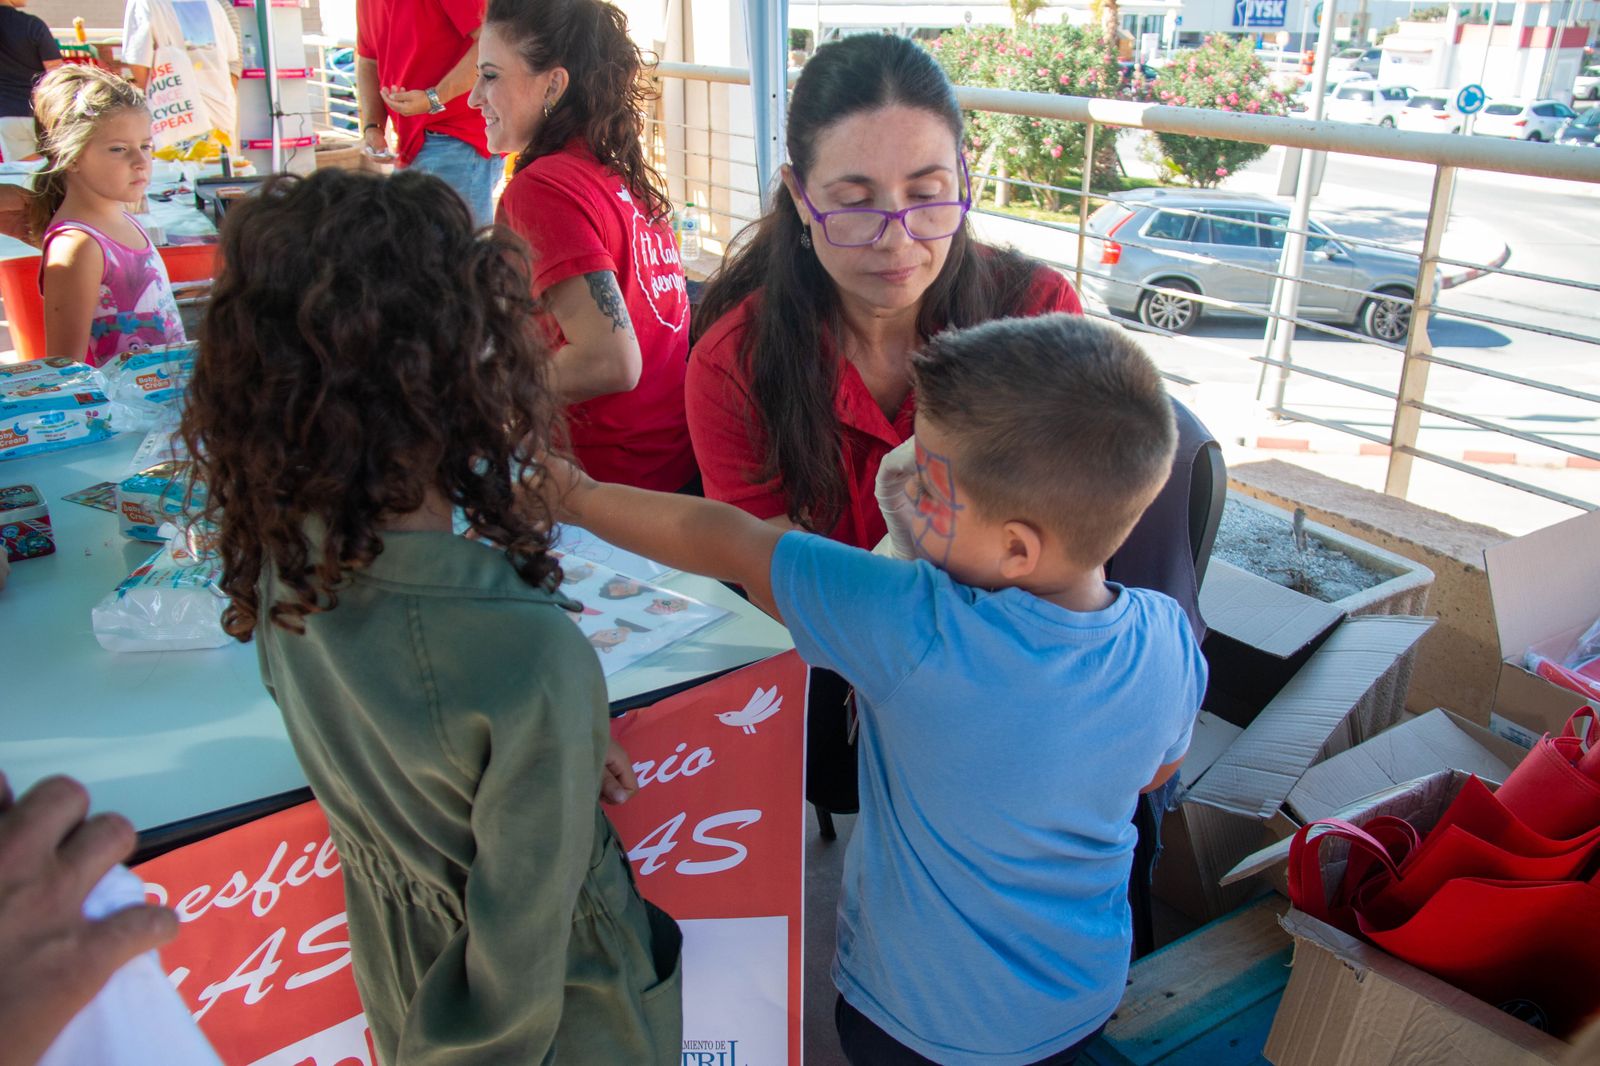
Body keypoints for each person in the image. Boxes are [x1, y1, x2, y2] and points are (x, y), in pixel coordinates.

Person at [552, 313, 1208, 1065]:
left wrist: (572, 493)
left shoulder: (914, 626)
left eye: (926, 480)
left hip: (918, 1020)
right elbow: (1155, 770)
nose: (899, 482)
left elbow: (728, 540)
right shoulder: (1165, 635)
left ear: (1018, 546)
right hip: (1080, 991)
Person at [177, 167, 682, 1064]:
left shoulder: (286, 561)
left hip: (403, 965)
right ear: (467, 370)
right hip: (560, 1020)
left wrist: (552, 746)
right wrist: (554, 720)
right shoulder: (529, 657)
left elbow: (409, 733)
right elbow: (515, 989)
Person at [688, 33, 1082, 551]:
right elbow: (778, 572)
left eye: (925, 195)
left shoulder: (1039, 316)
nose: (898, 239)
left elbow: (1070, 544)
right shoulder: (736, 362)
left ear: (962, 180)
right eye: (854, 202)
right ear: (801, 198)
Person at [471, 0, 696, 493]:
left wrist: (474, 395)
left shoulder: (541, 189)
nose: (472, 98)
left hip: (608, 495)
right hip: (673, 478)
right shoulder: (616, 173)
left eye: (490, 76)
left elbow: (611, 361)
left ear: (553, 84)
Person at [30, 65, 185, 366]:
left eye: (145, 146)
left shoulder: (124, 219)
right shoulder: (77, 246)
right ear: (72, 157)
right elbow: (66, 370)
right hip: (125, 412)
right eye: (118, 149)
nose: (140, 161)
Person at [357, 0, 496, 223]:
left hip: (458, 139)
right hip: (412, 143)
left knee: (457, 253)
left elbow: (491, 41)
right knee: (416, 250)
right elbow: (368, 61)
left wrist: (434, 97)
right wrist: (373, 127)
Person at [121, 0, 241, 158]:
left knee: (176, 176)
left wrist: (158, 91)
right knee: (220, 175)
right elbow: (232, 57)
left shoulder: (144, 3)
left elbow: (137, 60)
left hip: (175, 111)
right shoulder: (214, 5)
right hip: (219, 113)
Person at [0, 0, 61, 163]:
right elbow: (56, 73)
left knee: (23, 178)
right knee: (55, 176)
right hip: (43, 114)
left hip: (6, 116)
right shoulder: (32, 25)